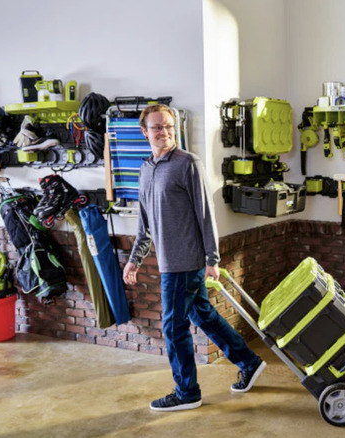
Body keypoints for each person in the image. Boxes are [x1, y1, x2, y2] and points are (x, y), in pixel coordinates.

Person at [123, 104, 266, 412]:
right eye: (157, 127)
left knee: (173, 328)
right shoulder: (146, 168)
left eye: (169, 126)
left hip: (185, 262)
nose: (164, 132)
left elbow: (205, 213)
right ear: (144, 131)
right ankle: (248, 361)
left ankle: (187, 391)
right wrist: (135, 258)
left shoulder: (188, 163)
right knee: (203, 315)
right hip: (167, 261)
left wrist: (212, 259)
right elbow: (145, 220)